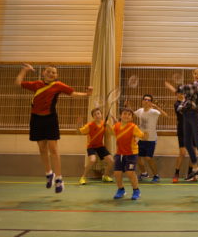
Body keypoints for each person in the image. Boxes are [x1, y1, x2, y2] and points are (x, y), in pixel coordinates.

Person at [15, 64, 92, 193]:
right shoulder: (36, 85)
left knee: (53, 149)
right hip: (36, 119)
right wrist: (24, 70)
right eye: (49, 72)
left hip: (50, 119)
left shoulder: (58, 86)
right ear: (43, 73)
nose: (51, 74)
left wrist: (87, 94)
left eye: (54, 73)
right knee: (42, 148)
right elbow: (18, 83)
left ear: (56, 76)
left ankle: (59, 179)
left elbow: (73, 94)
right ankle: (49, 173)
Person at [108, 108, 148, 200]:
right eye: (125, 114)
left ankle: (136, 190)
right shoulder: (116, 126)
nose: (126, 116)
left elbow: (143, 136)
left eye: (129, 114)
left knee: (130, 173)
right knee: (117, 173)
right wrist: (106, 126)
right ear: (120, 116)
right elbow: (111, 133)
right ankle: (121, 189)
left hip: (131, 153)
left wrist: (146, 135)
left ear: (131, 118)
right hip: (119, 153)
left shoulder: (133, 127)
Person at [132, 94, 168, 183]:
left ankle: (156, 175)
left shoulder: (154, 112)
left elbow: (165, 115)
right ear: (142, 101)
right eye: (145, 99)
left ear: (151, 102)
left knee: (148, 158)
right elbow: (132, 114)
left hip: (151, 139)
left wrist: (156, 107)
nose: (146, 101)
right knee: (138, 158)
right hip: (141, 139)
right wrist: (127, 106)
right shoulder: (140, 111)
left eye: (148, 100)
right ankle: (144, 173)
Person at [164, 83, 194, 183]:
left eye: (183, 93)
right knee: (182, 152)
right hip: (182, 129)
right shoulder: (176, 104)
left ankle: (190, 174)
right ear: (177, 94)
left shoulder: (190, 102)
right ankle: (176, 173)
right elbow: (182, 111)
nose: (181, 94)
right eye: (180, 93)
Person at [77, 108, 114, 185]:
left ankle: (105, 176)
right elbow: (79, 132)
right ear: (93, 117)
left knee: (111, 161)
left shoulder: (104, 124)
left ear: (101, 115)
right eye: (95, 114)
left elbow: (113, 133)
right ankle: (83, 177)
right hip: (91, 146)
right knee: (92, 160)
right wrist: (78, 124)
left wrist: (112, 123)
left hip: (100, 146)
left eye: (98, 113)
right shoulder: (89, 125)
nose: (97, 115)